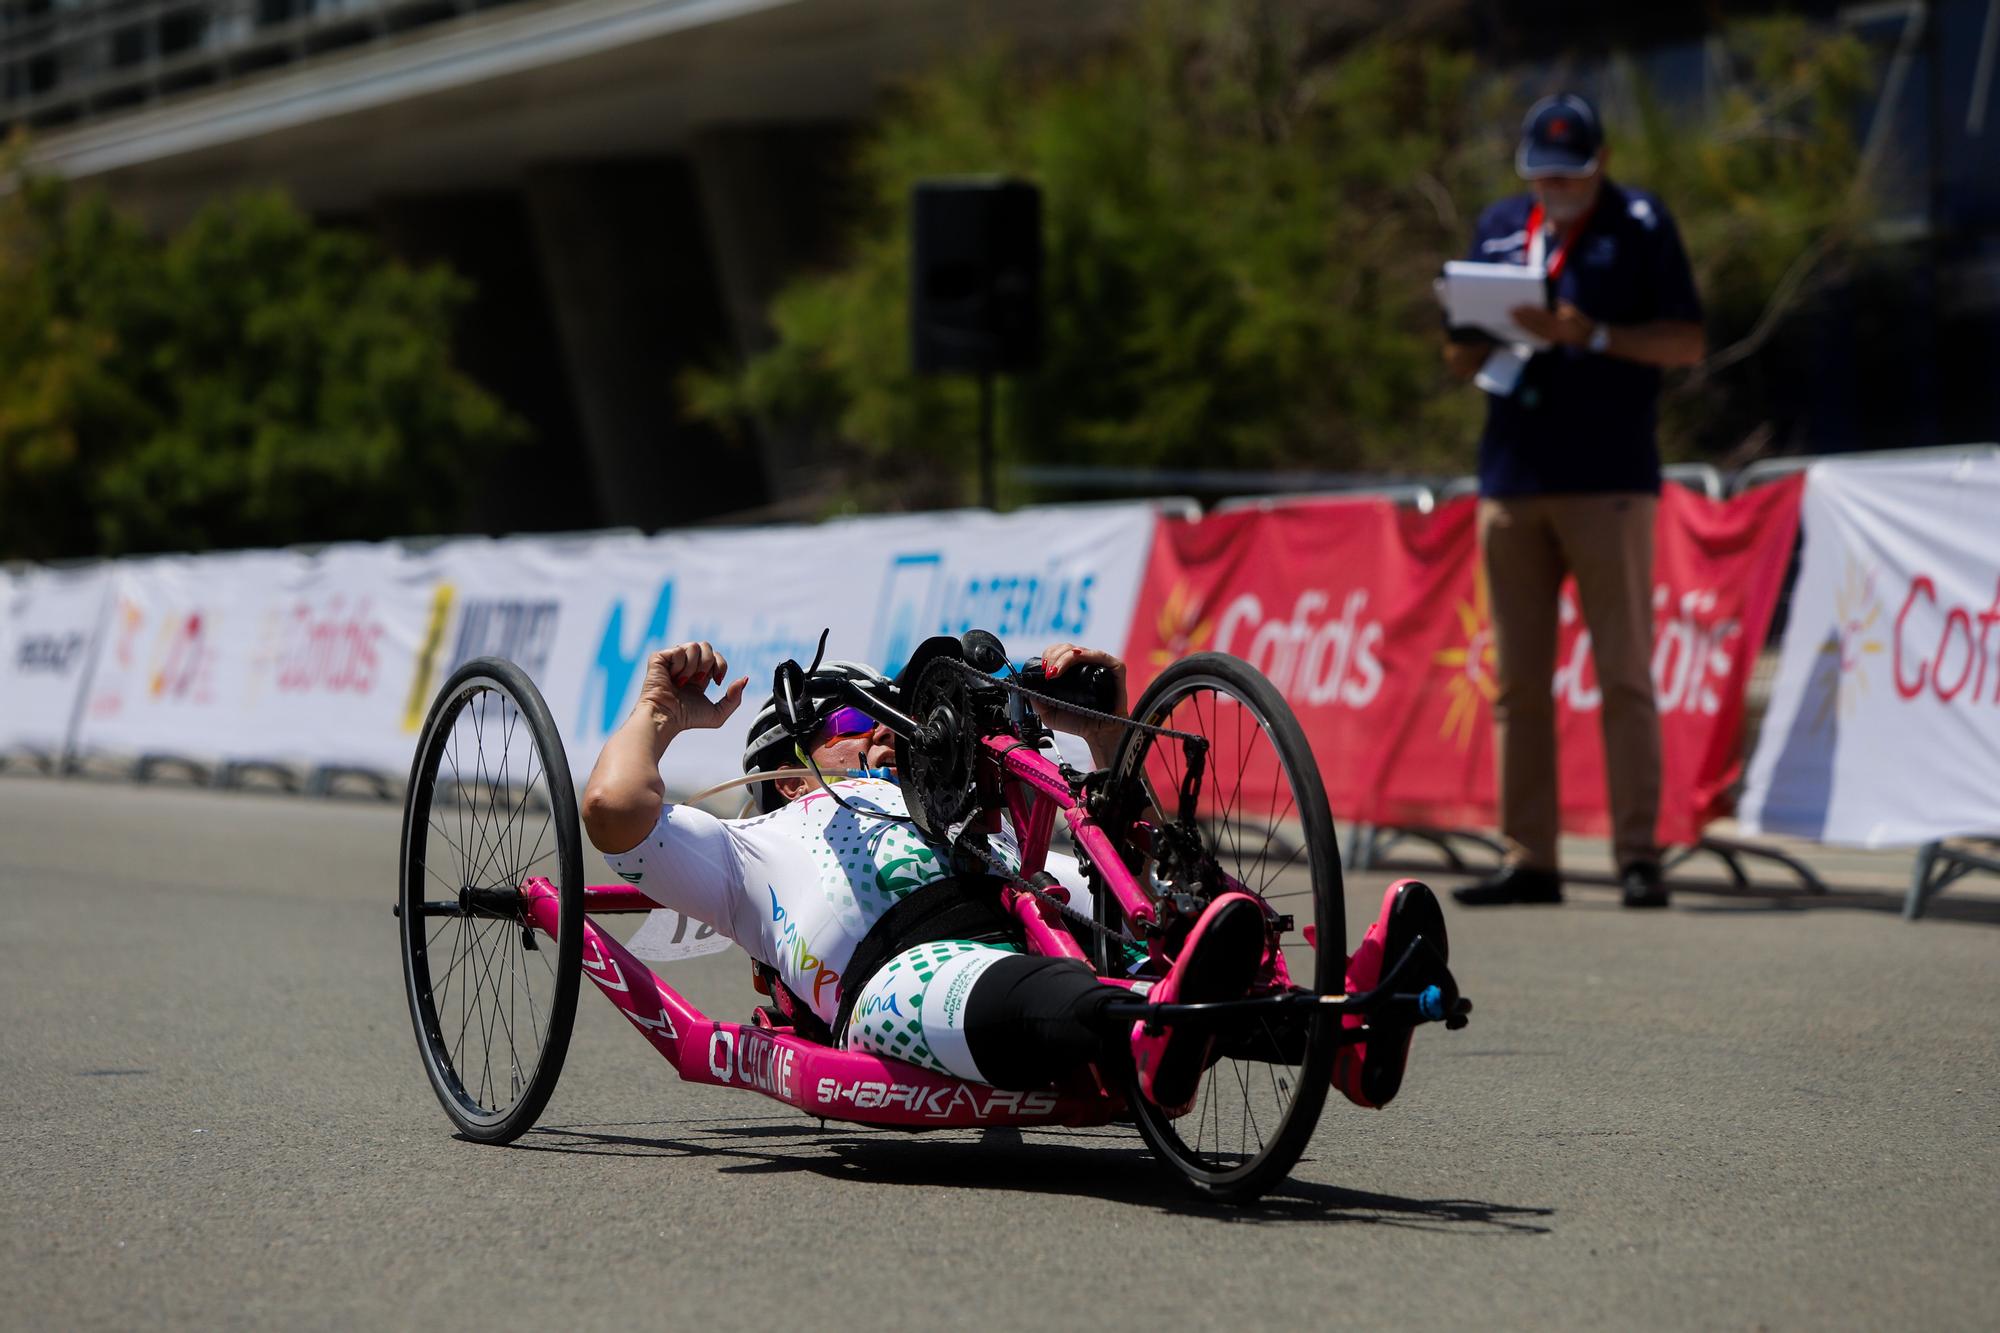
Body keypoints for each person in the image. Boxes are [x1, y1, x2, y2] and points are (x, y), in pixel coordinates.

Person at [580, 639, 1435, 1111]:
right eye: (853, 719)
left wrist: (1098, 729)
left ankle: (1341, 1035)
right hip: (896, 979)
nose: (888, 734)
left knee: (1140, 937)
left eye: (900, 718)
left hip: (1023, 921)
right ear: (787, 768)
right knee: (1004, 976)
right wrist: (661, 708)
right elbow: (614, 806)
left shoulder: (963, 816)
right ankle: (1149, 1026)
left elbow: (1129, 883)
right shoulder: (749, 846)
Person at [1442, 93, 1706, 910]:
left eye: (1571, 175)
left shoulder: (1639, 223)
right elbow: (1456, 354)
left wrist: (1588, 335)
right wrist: (1491, 329)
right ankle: (1531, 857)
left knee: (1624, 672)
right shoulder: (1497, 226)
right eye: (1542, 176)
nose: (1555, 189)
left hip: (1610, 481)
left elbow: (1686, 342)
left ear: (1600, 164)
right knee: (1517, 681)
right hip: (1512, 481)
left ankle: (1637, 854)